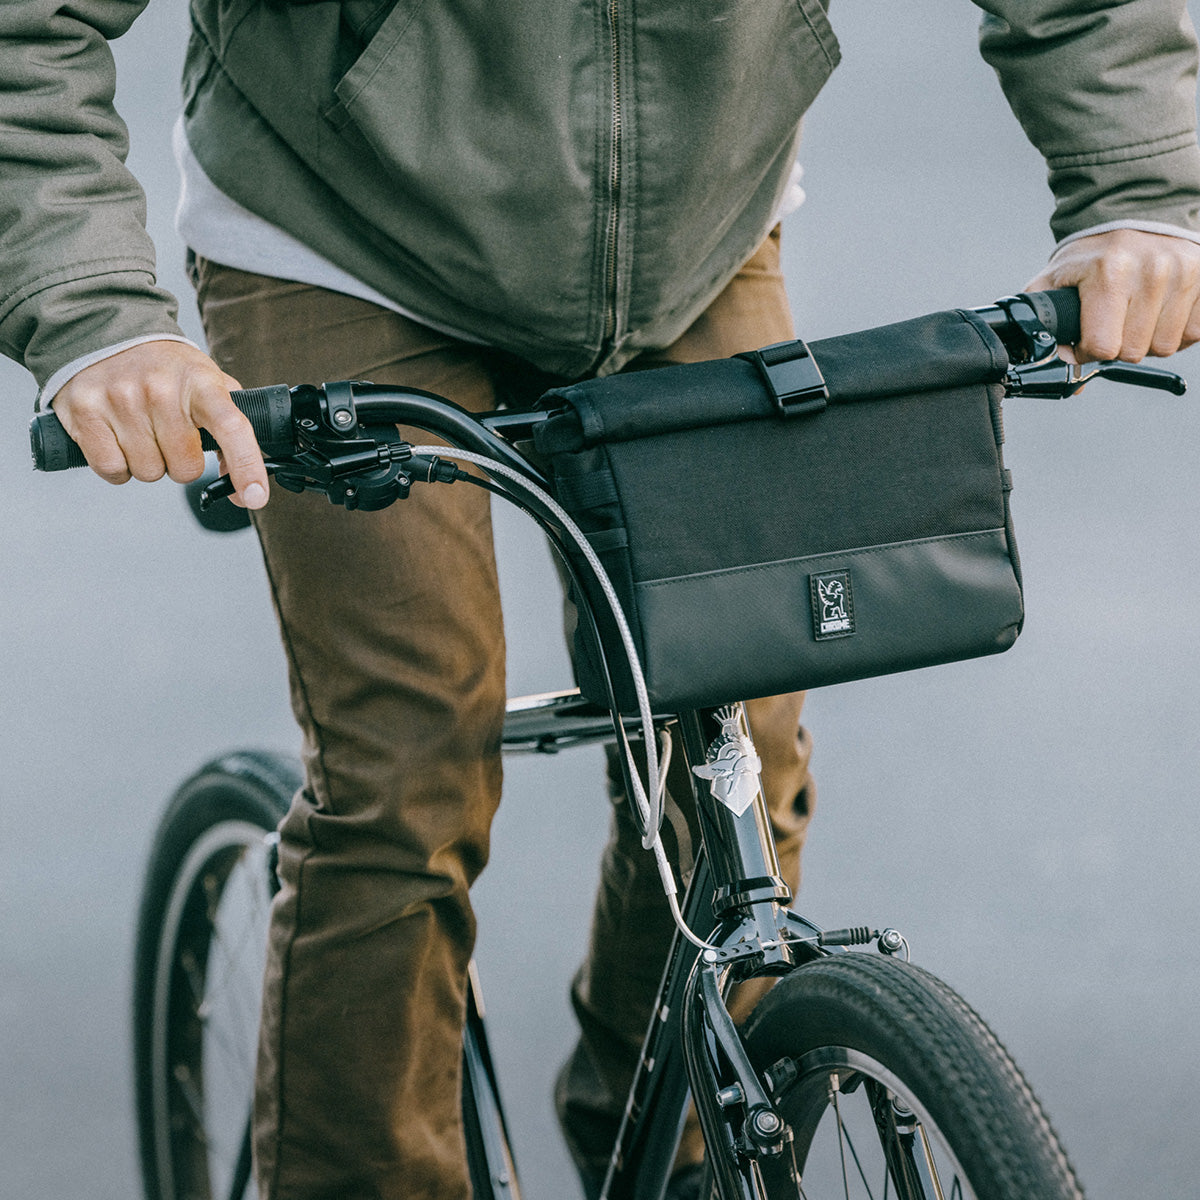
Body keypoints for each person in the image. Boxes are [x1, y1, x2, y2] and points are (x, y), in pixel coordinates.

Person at [4, 2, 1200, 1198]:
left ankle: (678, 1150)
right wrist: (99, 319)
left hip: (689, 236)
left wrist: (1140, 189)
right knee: (409, 765)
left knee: (744, 740)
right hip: (343, 230)